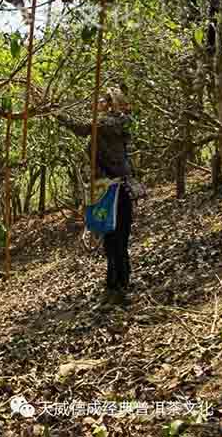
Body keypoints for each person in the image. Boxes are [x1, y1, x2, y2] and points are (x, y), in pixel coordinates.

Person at [59, 86, 134, 304]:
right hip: (110, 190)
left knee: (116, 240)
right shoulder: (111, 123)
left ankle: (119, 287)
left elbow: (82, 128)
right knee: (112, 240)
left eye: (101, 101)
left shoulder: (109, 123)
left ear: (110, 103)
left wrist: (57, 114)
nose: (97, 104)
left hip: (116, 191)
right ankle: (113, 285)